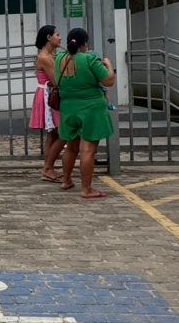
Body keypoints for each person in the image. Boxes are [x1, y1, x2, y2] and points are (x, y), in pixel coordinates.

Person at [55, 27, 116, 199]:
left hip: (68, 108)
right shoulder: (89, 58)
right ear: (84, 44)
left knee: (71, 147)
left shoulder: (59, 58)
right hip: (91, 109)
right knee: (88, 150)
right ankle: (86, 189)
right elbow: (108, 81)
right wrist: (109, 65)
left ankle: (66, 180)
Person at [29, 25, 65, 181]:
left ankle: (48, 168)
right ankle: (48, 167)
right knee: (62, 133)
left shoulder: (52, 55)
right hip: (49, 96)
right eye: (57, 34)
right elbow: (57, 81)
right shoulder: (45, 57)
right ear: (49, 38)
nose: (60, 38)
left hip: (50, 94)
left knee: (53, 134)